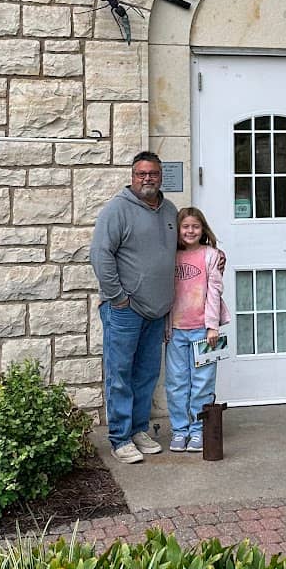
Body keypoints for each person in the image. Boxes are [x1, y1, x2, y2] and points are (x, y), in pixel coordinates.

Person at [89, 151, 177, 464]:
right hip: (126, 310)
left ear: (160, 176)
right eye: (141, 174)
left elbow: (182, 248)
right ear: (132, 176)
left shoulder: (169, 211)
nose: (147, 179)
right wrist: (119, 297)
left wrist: (213, 254)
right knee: (120, 375)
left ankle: (139, 429)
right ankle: (120, 437)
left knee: (146, 375)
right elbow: (101, 254)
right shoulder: (117, 210)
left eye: (153, 173)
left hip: (157, 311)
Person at [165, 206, 228, 453]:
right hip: (177, 331)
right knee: (177, 382)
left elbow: (215, 292)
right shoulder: (170, 256)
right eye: (185, 226)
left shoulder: (211, 255)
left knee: (202, 382)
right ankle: (180, 430)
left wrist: (212, 326)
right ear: (178, 230)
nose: (190, 231)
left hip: (203, 331)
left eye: (195, 226)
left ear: (203, 230)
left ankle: (198, 430)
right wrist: (166, 327)